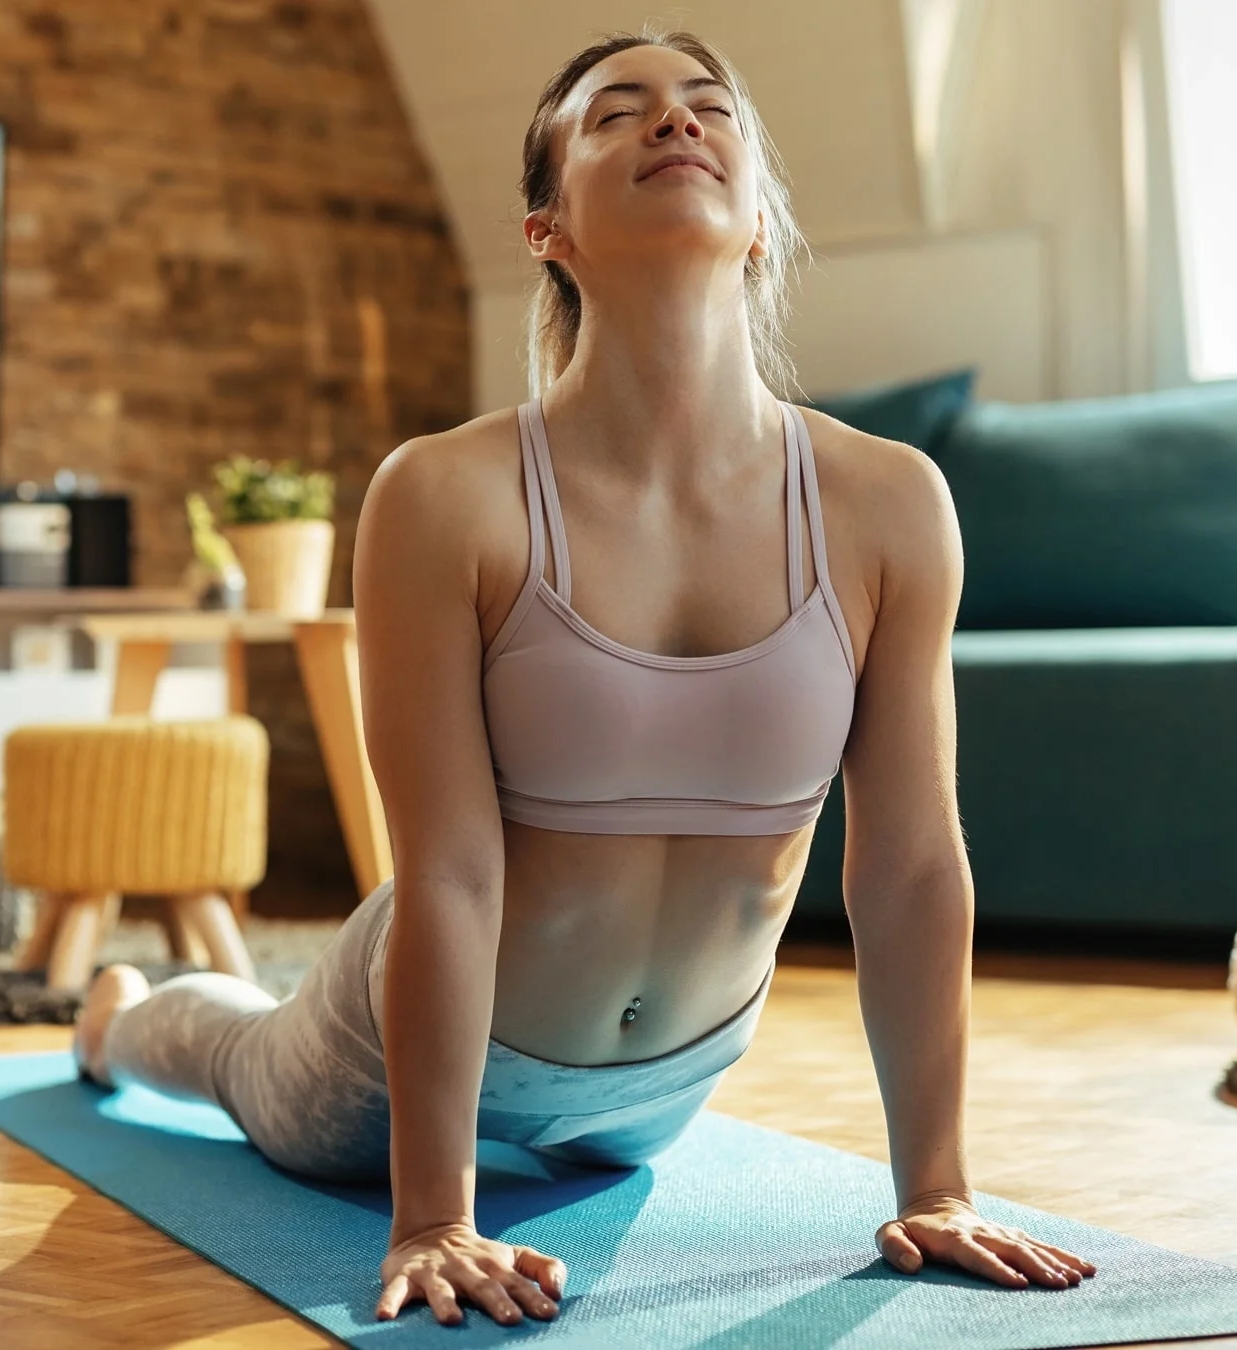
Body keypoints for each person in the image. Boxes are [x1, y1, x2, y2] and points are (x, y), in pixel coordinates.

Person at [71, 26, 1097, 1328]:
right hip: (410, 1048)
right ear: (543, 226)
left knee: (601, 1144)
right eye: (619, 114)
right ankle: (117, 1017)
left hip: (664, 1091)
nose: (675, 124)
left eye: (707, 108)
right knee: (235, 1059)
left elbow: (909, 862)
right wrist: (436, 1210)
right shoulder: (447, 493)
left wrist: (935, 1184)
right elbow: (445, 865)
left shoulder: (889, 501)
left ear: (763, 220)